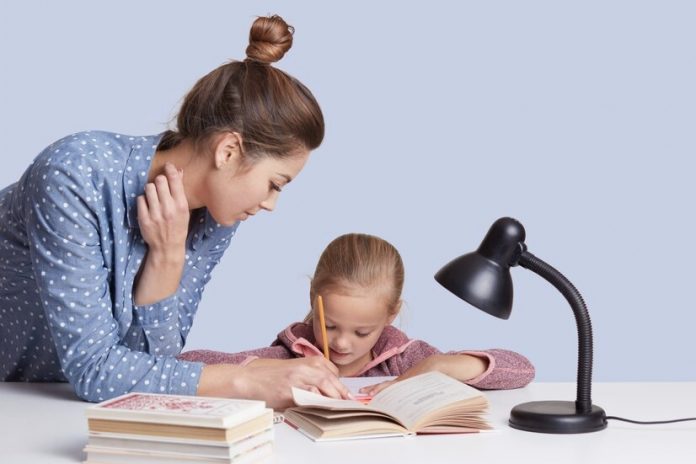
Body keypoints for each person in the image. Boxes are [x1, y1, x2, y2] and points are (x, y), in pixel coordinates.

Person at [0, 14, 353, 408]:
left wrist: (165, 260)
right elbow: (96, 371)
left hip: (50, 406)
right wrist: (247, 379)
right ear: (228, 151)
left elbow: (154, 367)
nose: (271, 204)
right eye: (275, 184)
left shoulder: (216, 216)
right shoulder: (74, 175)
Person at [179, 233, 536, 396]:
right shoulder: (287, 357)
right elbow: (184, 364)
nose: (342, 343)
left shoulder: (406, 358)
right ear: (312, 298)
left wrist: (442, 366)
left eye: (362, 332)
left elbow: (521, 369)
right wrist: (263, 370)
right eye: (330, 325)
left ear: (391, 315)